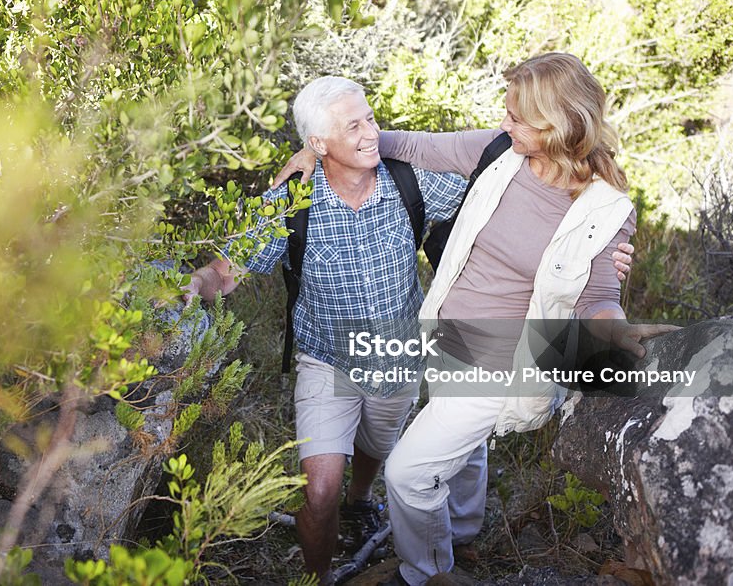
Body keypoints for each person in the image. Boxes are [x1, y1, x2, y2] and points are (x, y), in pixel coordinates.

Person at [188, 72, 634, 585]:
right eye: (351, 126)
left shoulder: (418, 184)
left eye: (369, 120)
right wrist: (192, 285)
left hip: (414, 356)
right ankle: (351, 573)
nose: (368, 133)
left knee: (391, 454)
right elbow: (225, 271)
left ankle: (397, 519)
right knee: (336, 487)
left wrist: (603, 280)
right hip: (340, 357)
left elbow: (591, 277)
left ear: (553, 125)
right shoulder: (295, 202)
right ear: (319, 140)